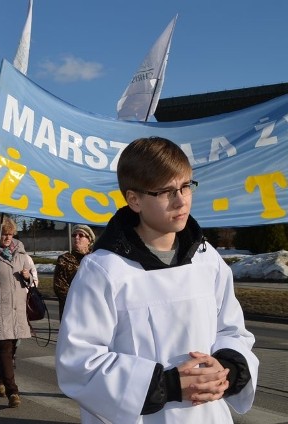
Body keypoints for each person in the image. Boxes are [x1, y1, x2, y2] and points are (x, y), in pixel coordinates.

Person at [55, 137, 259, 423]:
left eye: (186, 186)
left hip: (208, 415)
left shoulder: (206, 259)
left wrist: (228, 369)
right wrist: (169, 386)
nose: (181, 200)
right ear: (134, 199)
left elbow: (233, 330)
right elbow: (79, 364)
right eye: (166, 191)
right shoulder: (105, 270)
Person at [0, 216, 33, 408]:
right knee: (4, 348)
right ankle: (13, 391)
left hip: (17, 306)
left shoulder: (20, 250)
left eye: (10, 234)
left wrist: (27, 277)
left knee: (13, 347)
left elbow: (29, 279)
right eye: (4, 234)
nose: (8, 238)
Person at [52, 224, 95, 320]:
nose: (76, 237)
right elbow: (60, 287)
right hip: (71, 312)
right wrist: (79, 302)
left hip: (93, 312)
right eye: (74, 235)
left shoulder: (96, 260)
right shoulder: (64, 259)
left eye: (81, 235)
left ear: (89, 241)